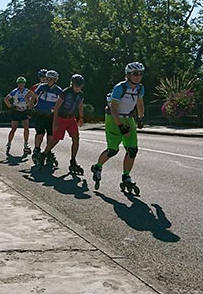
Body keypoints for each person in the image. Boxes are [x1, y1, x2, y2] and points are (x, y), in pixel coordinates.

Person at [90, 62, 146, 195]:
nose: (138, 76)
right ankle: (97, 167)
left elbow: (140, 103)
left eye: (140, 74)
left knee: (132, 150)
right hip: (113, 118)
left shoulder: (140, 88)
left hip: (128, 117)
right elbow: (113, 108)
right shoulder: (119, 88)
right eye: (135, 74)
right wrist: (120, 125)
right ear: (128, 75)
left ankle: (126, 176)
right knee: (113, 150)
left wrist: (141, 117)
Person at [39, 74, 85, 174]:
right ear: (72, 84)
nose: (78, 88)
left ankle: (73, 161)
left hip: (71, 118)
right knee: (56, 139)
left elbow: (80, 105)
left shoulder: (80, 94)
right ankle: (44, 154)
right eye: (76, 85)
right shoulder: (65, 92)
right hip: (61, 118)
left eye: (80, 86)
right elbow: (56, 108)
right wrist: (55, 122)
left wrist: (81, 117)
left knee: (76, 138)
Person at [30, 70, 62, 164]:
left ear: (55, 80)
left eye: (51, 79)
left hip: (51, 115)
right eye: (47, 79)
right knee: (40, 132)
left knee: (50, 134)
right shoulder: (42, 87)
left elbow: (61, 102)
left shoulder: (58, 90)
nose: (49, 81)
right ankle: (36, 149)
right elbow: (33, 97)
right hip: (40, 113)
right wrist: (31, 108)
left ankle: (48, 151)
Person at [3, 76, 32, 156]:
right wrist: (11, 106)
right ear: (17, 84)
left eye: (22, 83)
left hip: (24, 111)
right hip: (16, 111)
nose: (21, 85)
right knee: (13, 128)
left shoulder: (28, 91)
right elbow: (6, 99)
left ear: (24, 84)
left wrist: (30, 108)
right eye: (19, 83)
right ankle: (9, 143)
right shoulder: (14, 91)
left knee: (26, 128)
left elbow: (34, 98)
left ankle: (26, 144)